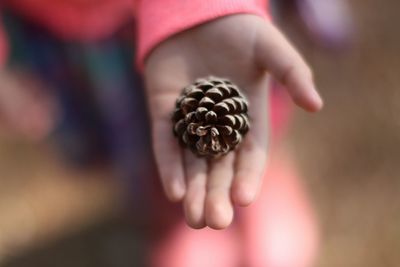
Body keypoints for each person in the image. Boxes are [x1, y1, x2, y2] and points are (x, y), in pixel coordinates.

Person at [0, 1, 323, 266]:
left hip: (196, 14)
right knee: (145, 152)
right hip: (58, 32)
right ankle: (173, 215)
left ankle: (264, 180)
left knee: (253, 127)